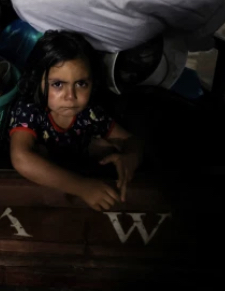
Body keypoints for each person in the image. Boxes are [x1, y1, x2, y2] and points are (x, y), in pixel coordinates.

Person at [8, 31, 143, 211]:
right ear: (37, 81)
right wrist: (83, 188)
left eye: (81, 84)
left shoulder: (91, 114)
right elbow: (21, 158)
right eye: (57, 84)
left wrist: (130, 158)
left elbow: (131, 140)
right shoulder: (30, 110)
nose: (70, 96)